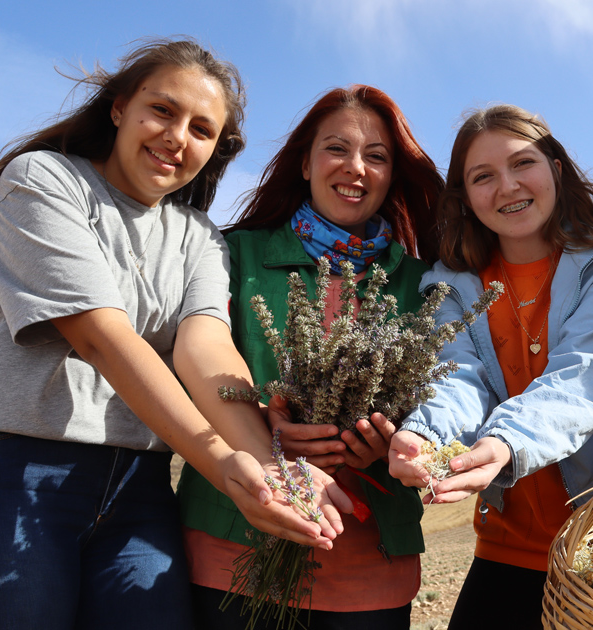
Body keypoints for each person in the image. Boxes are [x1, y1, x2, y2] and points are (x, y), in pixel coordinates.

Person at [0, 39, 350, 630]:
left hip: (137, 488)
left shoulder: (199, 237)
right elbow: (102, 339)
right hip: (5, 469)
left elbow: (206, 351)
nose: (176, 137)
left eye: (201, 128)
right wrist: (224, 464)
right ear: (119, 108)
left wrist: (270, 465)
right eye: (162, 111)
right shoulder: (42, 181)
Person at [177, 84, 445, 630]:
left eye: (377, 156)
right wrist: (263, 427)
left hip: (369, 568)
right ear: (304, 162)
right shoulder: (232, 254)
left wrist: (391, 438)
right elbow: (187, 368)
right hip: (233, 552)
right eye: (336, 148)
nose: (356, 168)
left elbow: (451, 391)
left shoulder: (425, 286)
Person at [388, 104, 593, 630]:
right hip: (503, 550)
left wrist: (502, 443)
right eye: (483, 176)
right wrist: (425, 433)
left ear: (557, 169)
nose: (507, 187)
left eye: (523, 163)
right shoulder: (451, 285)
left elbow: (584, 376)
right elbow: (457, 375)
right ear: (465, 198)